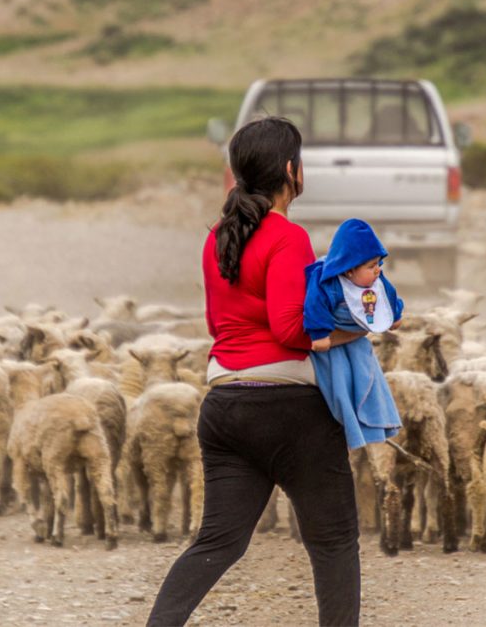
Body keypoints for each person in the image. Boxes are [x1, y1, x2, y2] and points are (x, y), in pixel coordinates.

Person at [146, 117, 362, 627]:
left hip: (225, 406)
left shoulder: (218, 237)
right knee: (334, 541)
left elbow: (217, 322)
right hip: (289, 410)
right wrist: (356, 330)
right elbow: (291, 330)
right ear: (291, 170)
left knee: (218, 542)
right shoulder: (287, 237)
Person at [304, 218, 404, 450]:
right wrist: (319, 333)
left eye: (379, 263)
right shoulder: (327, 281)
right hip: (331, 346)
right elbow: (314, 305)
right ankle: (346, 424)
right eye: (371, 266)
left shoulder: (377, 281)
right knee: (340, 385)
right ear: (348, 269)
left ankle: (372, 424)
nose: (377, 270)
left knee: (368, 379)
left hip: (358, 344)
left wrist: (394, 315)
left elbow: (389, 298)